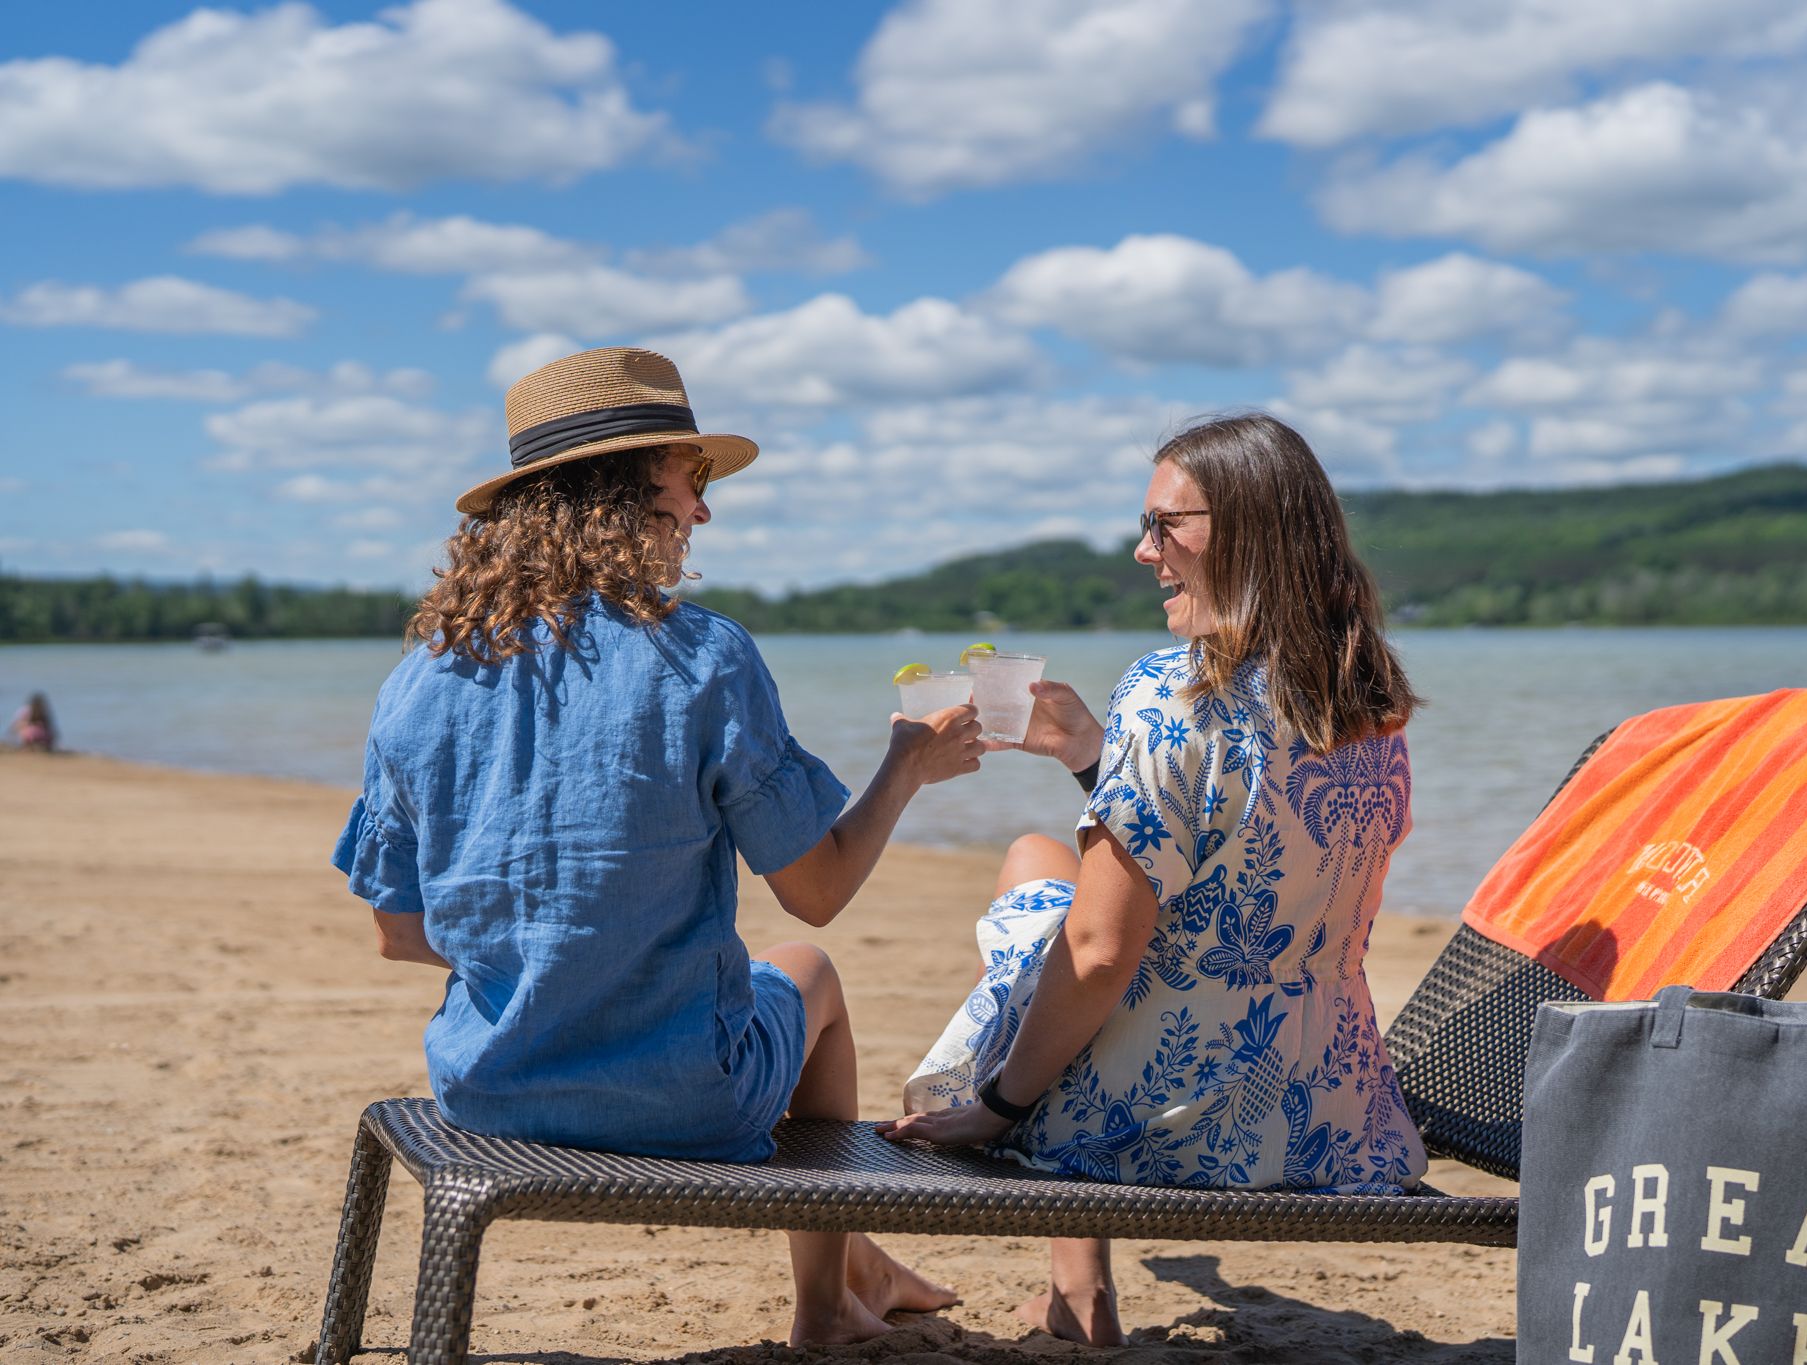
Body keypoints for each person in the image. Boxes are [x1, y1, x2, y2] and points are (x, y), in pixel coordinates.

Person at [331, 346, 980, 1346]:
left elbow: (395, 931)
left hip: (491, 1088)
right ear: (625, 498)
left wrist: (549, 938)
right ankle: (826, 1306)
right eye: (693, 482)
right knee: (808, 970)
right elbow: (815, 891)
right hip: (683, 1099)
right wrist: (905, 769)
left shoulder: (420, 677)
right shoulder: (703, 657)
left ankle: (860, 1271)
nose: (703, 513)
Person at [882, 413, 1428, 1346]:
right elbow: (1245, 863)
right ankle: (1077, 1287)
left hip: (1173, 1122)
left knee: (1041, 905)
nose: (1145, 552)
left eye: (1168, 525)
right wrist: (1100, 757)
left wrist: (999, 1108)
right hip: (1333, 1118)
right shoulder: (1368, 703)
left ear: (1252, 531)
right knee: (1035, 861)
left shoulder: (1174, 692)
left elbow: (1100, 953)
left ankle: (1080, 1287)